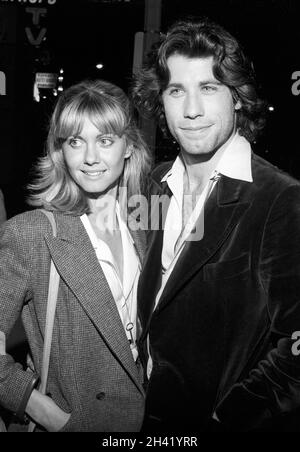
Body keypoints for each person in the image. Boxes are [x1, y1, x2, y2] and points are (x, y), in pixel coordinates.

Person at [132, 18, 300, 432]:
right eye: (176, 91)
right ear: (161, 100)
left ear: (238, 98)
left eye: (208, 88)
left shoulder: (279, 198)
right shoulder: (155, 183)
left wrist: (229, 415)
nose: (191, 110)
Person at [0, 79, 151, 432]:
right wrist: (39, 408)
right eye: (75, 141)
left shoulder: (144, 223)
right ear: (61, 151)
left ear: (128, 146)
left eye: (105, 140)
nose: (90, 158)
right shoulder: (32, 232)